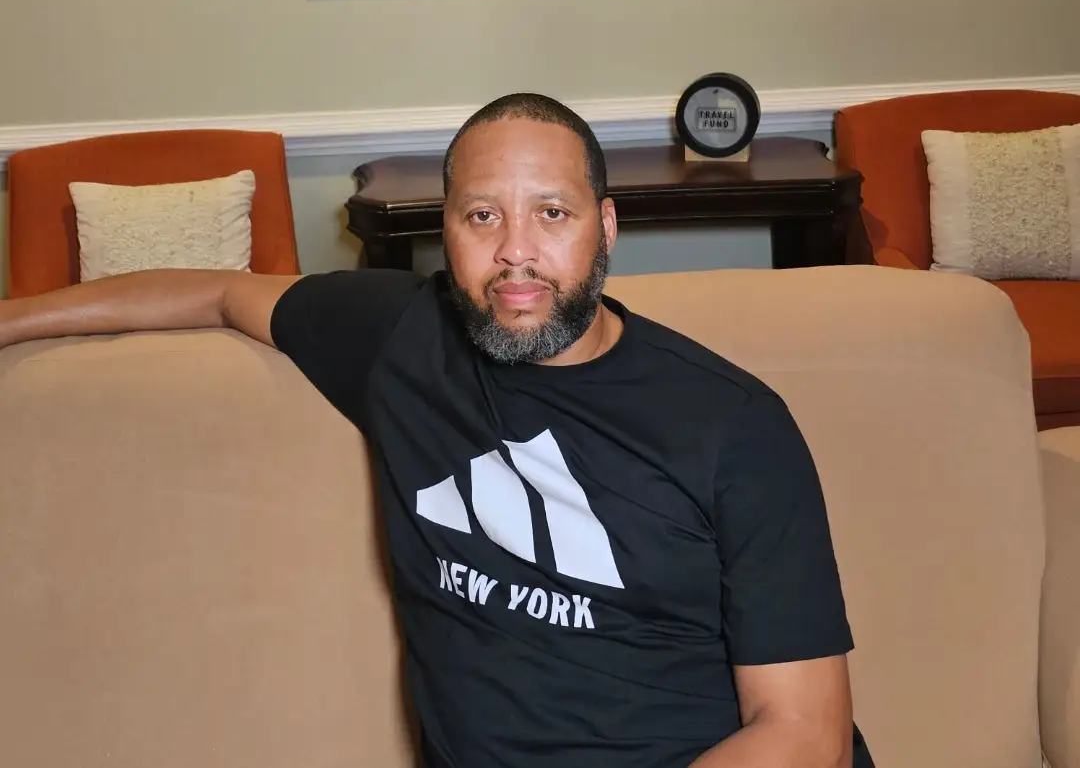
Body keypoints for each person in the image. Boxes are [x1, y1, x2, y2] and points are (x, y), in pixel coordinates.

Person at [0, 92, 874, 768]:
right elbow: (215, 291)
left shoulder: (735, 425)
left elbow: (804, 735)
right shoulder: (401, 338)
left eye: (553, 214)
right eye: (482, 215)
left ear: (607, 228)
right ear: (445, 231)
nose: (515, 253)